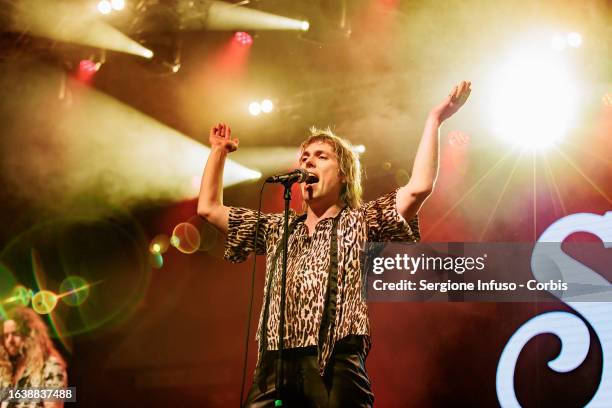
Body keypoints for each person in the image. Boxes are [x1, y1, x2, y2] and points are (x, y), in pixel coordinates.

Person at [198, 81, 471, 406]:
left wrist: (434, 119)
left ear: (343, 173)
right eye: (304, 157)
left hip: (334, 359)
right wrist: (218, 152)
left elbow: (418, 188)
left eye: (320, 156)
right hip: (274, 363)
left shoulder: (361, 221)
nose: (308, 162)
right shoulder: (278, 228)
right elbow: (209, 208)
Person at [0, 307, 67, 408]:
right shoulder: (8, 370)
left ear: (29, 334)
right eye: (6, 336)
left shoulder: (50, 365)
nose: (10, 341)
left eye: (15, 334)